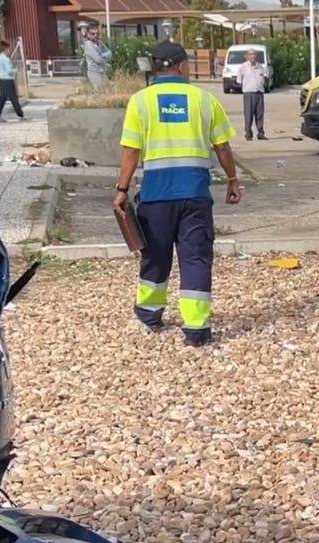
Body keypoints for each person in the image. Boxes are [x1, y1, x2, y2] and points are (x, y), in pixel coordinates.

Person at [113, 41, 243, 347]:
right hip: (195, 195)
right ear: (182, 66)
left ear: (156, 67)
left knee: (155, 256)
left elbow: (130, 151)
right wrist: (233, 180)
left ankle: (149, 314)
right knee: (196, 257)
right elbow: (222, 146)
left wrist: (121, 189)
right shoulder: (203, 99)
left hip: (156, 196)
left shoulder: (140, 102)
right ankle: (196, 328)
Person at [0, 40, 27, 122]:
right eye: (9, 49)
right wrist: (15, 70)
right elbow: (9, 71)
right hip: (8, 80)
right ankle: (20, 115)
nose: (10, 51)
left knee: (2, 98)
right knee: (13, 98)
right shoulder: (6, 59)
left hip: (1, 80)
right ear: (5, 49)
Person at [240, 48, 267, 141]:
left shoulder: (260, 67)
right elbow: (239, 80)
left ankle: (260, 133)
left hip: (259, 93)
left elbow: (263, 79)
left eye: (254, 54)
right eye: (251, 54)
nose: (253, 56)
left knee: (260, 114)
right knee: (248, 114)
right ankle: (248, 134)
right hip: (248, 93)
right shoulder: (243, 67)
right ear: (247, 56)